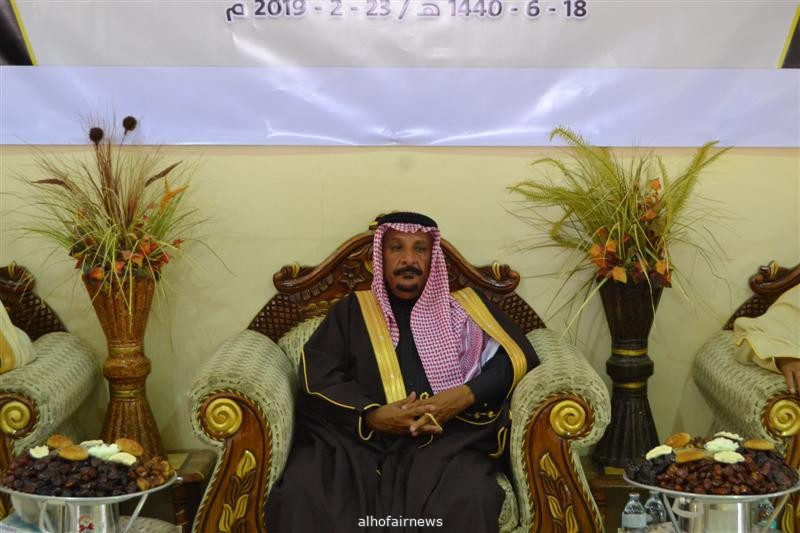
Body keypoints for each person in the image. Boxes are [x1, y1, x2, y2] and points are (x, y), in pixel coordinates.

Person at [264, 212, 539, 532]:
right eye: (397, 248)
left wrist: (461, 397)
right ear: (380, 257)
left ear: (433, 258)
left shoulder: (466, 308)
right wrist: (371, 416)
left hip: (448, 440)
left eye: (420, 248)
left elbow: (515, 357)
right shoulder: (352, 310)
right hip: (356, 443)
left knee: (469, 497)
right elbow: (320, 372)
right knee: (302, 493)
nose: (409, 259)